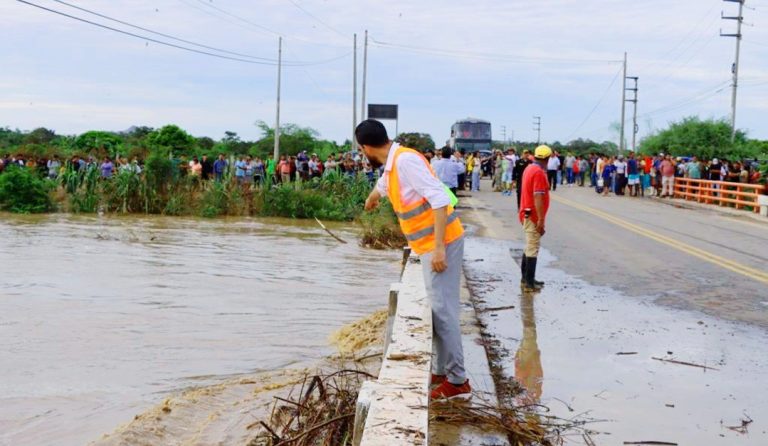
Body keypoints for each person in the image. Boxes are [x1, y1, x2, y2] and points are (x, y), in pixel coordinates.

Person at [357, 119, 470, 401]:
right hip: (429, 245)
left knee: (445, 312)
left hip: (440, 244)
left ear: (366, 147)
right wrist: (371, 199)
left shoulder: (405, 161)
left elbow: (439, 200)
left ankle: (458, 381)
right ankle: (442, 371)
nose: (362, 155)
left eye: (361, 151)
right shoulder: (393, 164)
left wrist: (440, 249)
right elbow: (383, 187)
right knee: (438, 309)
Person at [519, 145, 552, 291]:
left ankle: (526, 279)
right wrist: (541, 219)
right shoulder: (538, 172)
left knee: (529, 246)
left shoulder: (529, 168)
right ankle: (529, 284)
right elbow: (538, 196)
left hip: (526, 211)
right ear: (547, 158)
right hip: (532, 214)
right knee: (533, 247)